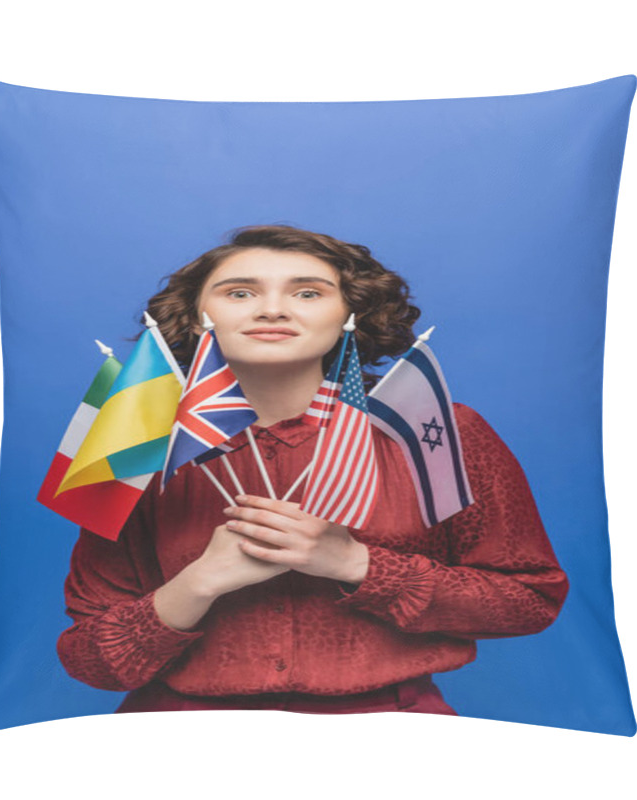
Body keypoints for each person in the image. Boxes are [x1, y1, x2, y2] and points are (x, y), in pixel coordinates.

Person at [57, 224, 569, 716]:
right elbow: (89, 659)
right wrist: (199, 583)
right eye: (239, 293)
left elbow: (529, 599)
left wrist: (354, 564)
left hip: (392, 728)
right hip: (185, 729)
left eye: (307, 293)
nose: (273, 309)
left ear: (351, 315)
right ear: (197, 319)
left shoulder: (436, 431)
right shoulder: (138, 441)